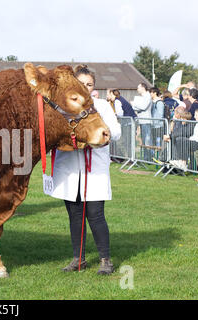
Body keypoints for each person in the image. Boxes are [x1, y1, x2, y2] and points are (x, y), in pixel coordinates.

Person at [51, 64, 121, 275]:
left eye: (89, 84)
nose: (85, 87)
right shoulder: (63, 106)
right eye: (81, 84)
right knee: (75, 215)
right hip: (70, 168)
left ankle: (105, 259)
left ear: (94, 87)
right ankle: (78, 259)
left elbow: (116, 132)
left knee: (95, 214)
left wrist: (96, 135)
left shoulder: (102, 106)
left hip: (95, 169)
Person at [131, 83, 153, 160]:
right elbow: (140, 107)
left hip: (146, 121)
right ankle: (146, 157)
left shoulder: (148, 96)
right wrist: (135, 106)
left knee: (147, 140)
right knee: (144, 140)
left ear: (143, 88)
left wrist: (134, 104)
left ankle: (150, 157)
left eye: (138, 88)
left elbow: (143, 107)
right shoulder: (142, 97)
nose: (137, 89)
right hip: (142, 121)